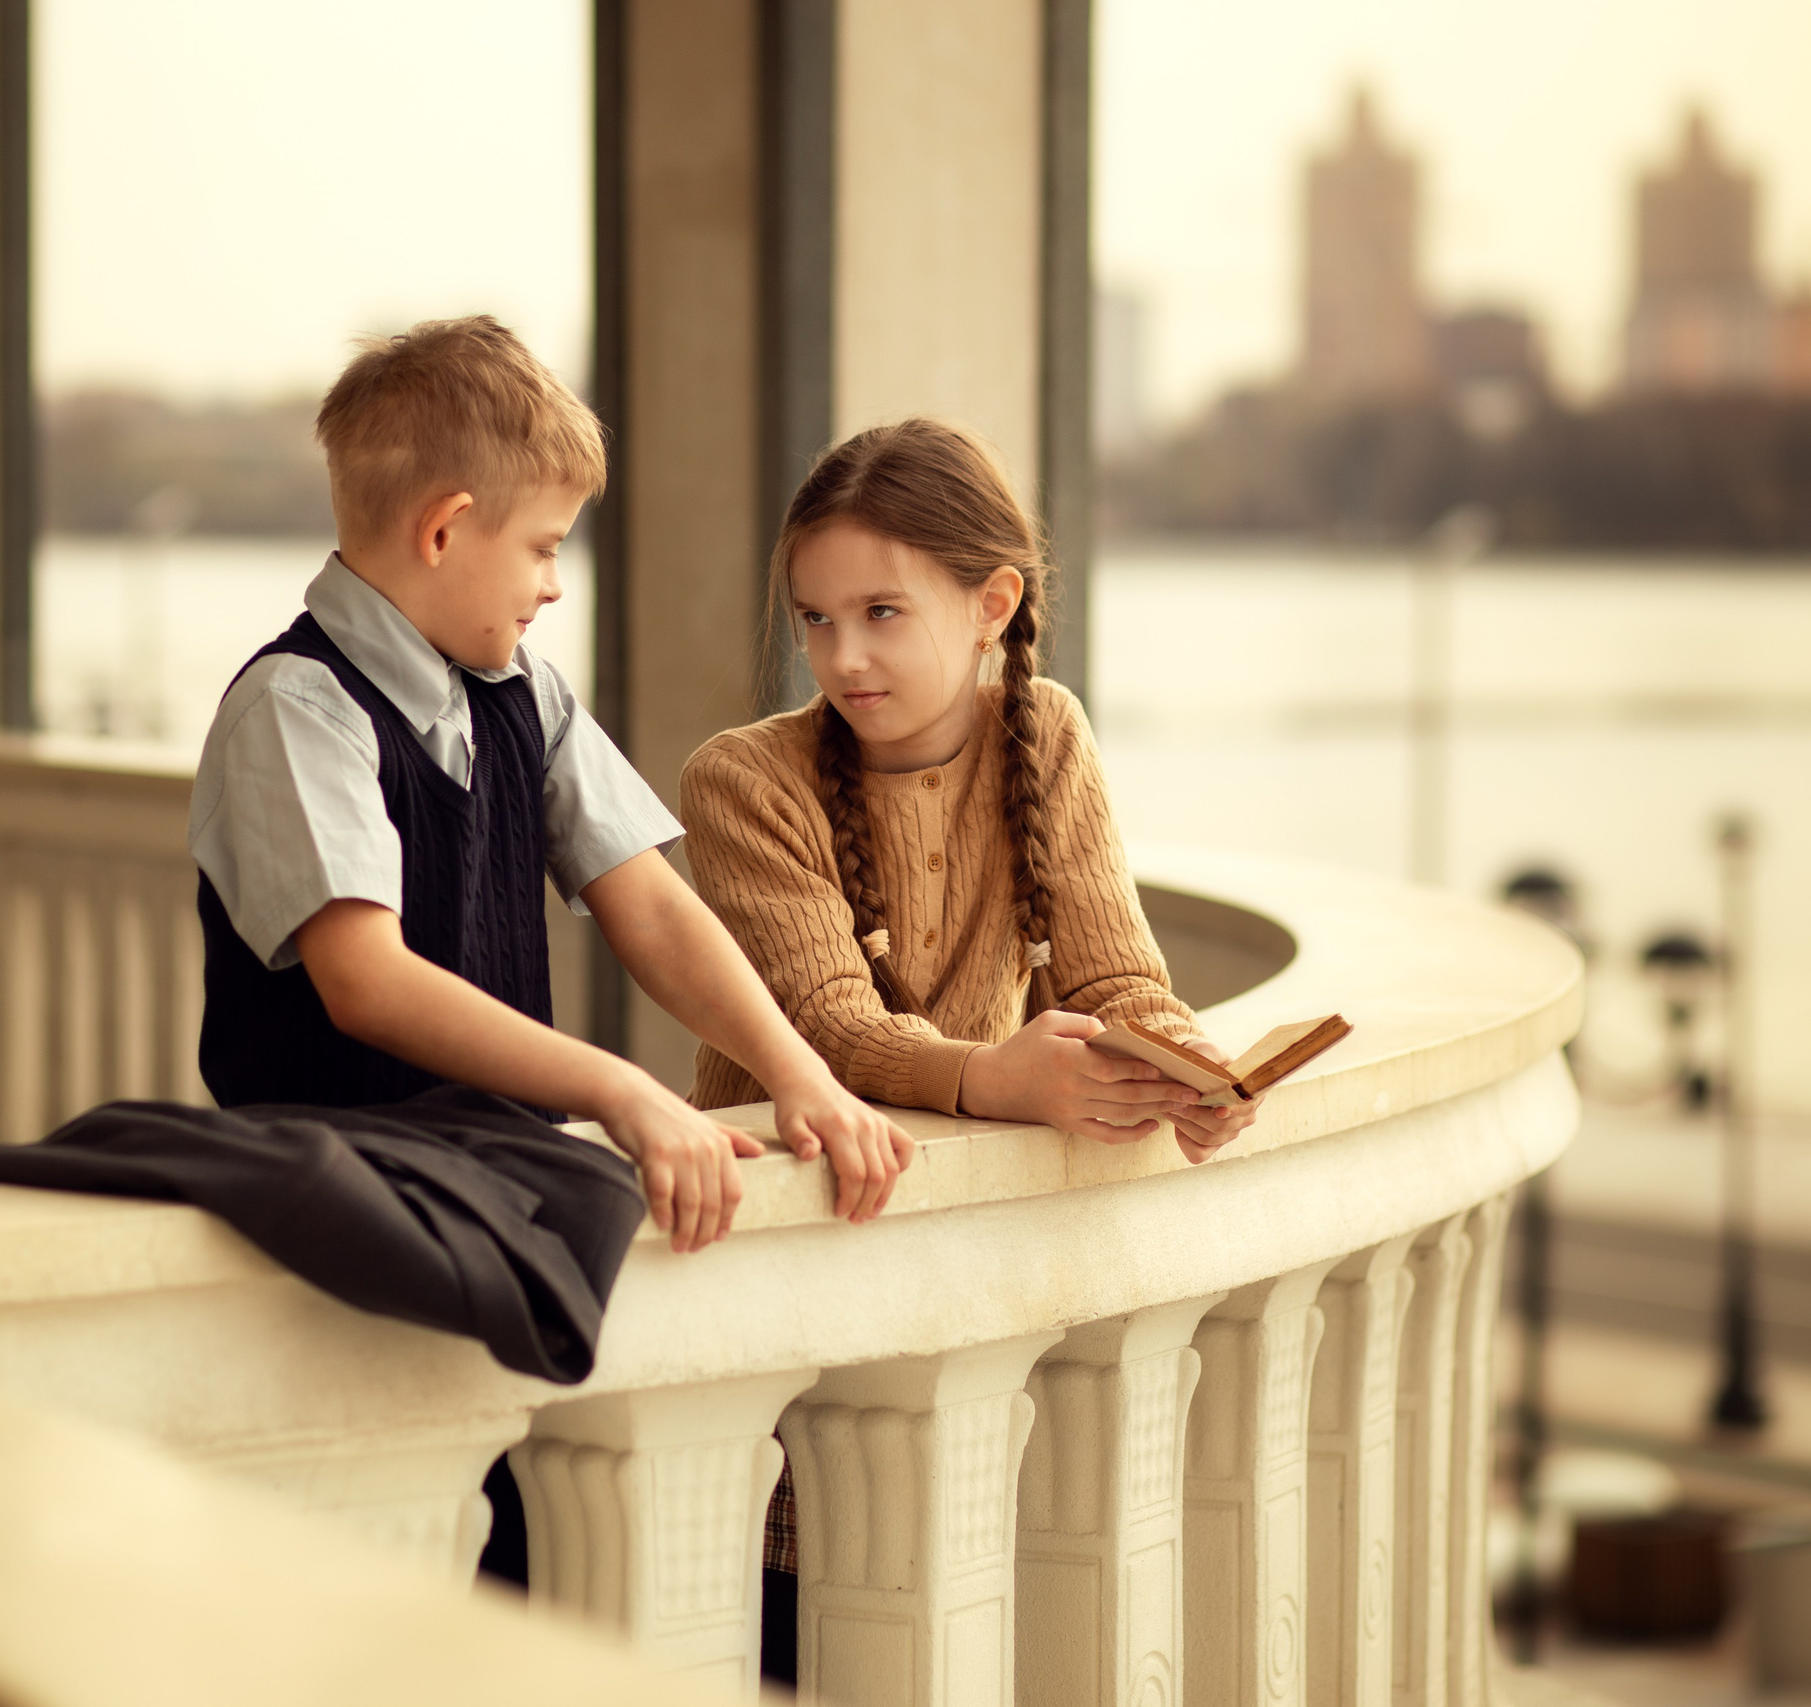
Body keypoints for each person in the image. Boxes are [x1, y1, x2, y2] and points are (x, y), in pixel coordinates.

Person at [676, 417, 1261, 1681]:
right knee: (766, 1618)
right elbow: (821, 1025)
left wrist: (1191, 1075)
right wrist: (991, 1078)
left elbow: (1114, 976)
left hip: (946, 1268)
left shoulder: (1044, 737)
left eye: (882, 613)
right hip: (773, 1260)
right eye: (816, 618)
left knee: (929, 1624)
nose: (842, 653)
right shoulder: (742, 780)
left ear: (992, 601)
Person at [187, 316, 914, 1257]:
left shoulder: (525, 691)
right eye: (543, 547)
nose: (556, 584)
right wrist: (621, 1089)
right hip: (342, 1213)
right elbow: (366, 980)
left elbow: (650, 907)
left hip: (501, 1183)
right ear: (445, 529)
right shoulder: (297, 707)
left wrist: (799, 1074)